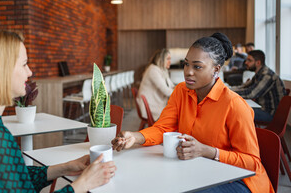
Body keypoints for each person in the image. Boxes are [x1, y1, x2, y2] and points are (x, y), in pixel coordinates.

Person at [0, 27, 116, 193]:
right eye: (24, 64)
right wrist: (82, 185)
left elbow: (8, 175)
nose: (30, 72)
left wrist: (65, 167)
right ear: (0, 70)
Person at [112, 33, 273, 193]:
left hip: (241, 180)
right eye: (186, 64)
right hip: (201, 171)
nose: (188, 72)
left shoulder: (234, 104)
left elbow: (251, 162)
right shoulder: (181, 91)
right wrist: (135, 137)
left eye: (197, 66)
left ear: (216, 69)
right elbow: (163, 128)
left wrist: (206, 151)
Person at [231, 50, 286, 122]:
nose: (246, 62)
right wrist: (227, 90)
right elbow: (244, 87)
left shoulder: (267, 75)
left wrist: (229, 93)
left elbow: (251, 93)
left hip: (269, 113)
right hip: (261, 108)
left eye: (249, 60)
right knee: (235, 108)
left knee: (234, 111)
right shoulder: (259, 74)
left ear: (258, 63)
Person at [136, 48, 174, 121]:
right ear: (161, 59)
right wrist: (179, 90)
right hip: (150, 106)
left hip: (154, 103)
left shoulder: (162, 70)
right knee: (176, 111)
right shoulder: (153, 70)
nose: (170, 62)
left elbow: (171, 86)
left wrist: (177, 88)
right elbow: (167, 91)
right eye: (168, 59)